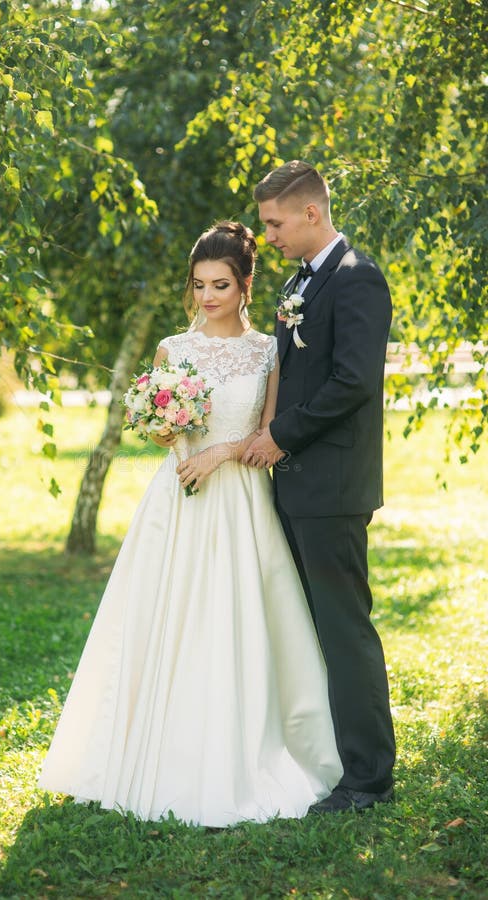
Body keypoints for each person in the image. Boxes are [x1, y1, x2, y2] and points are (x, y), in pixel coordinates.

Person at [38, 221, 342, 827]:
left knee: (239, 617)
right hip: (179, 497)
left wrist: (219, 453)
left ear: (246, 285)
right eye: (200, 284)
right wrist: (171, 437)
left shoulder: (266, 349)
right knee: (165, 617)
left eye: (220, 285)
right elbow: (154, 427)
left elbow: (267, 433)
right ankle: (154, 745)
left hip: (243, 498)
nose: (207, 296)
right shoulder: (173, 350)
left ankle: (245, 750)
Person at [244, 161, 396, 812]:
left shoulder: (358, 279)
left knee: (344, 632)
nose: (269, 236)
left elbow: (353, 382)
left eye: (275, 223)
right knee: (312, 632)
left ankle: (368, 780)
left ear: (311, 213)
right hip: (295, 486)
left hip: (333, 487)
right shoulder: (298, 282)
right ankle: (330, 761)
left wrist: (281, 437)